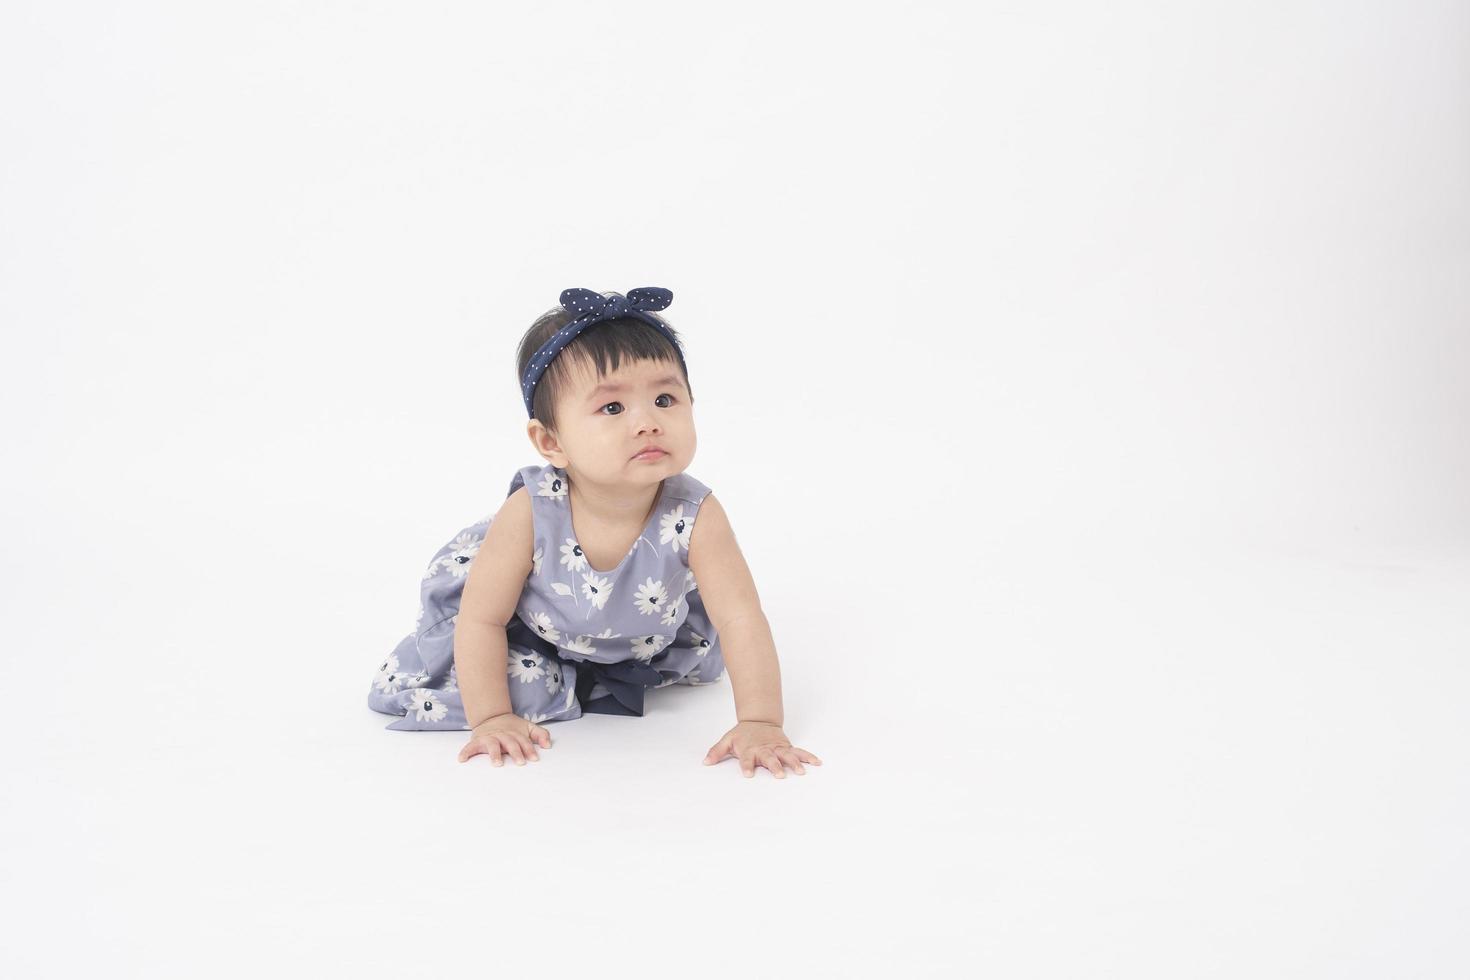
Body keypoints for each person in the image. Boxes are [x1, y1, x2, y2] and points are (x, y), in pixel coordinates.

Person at [367, 286, 822, 779]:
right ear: (551, 441)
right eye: (612, 409)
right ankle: (561, 681)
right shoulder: (532, 511)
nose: (648, 422)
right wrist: (493, 717)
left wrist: (760, 721)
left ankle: (606, 674)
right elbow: (482, 620)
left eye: (665, 399)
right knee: (511, 686)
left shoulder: (696, 513)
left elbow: (740, 617)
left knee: (707, 659)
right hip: (537, 635)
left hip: (644, 640)